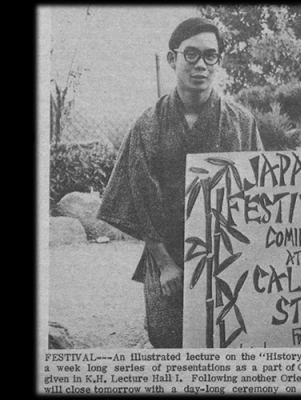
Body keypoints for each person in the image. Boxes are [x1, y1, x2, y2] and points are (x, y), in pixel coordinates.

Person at [97, 17, 263, 348]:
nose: (200, 64)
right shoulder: (148, 124)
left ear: (219, 62)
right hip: (166, 258)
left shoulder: (242, 122)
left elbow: (258, 191)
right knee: (168, 342)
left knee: (228, 341)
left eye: (210, 55)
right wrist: (164, 264)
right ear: (173, 59)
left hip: (228, 255)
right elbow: (138, 196)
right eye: (191, 54)